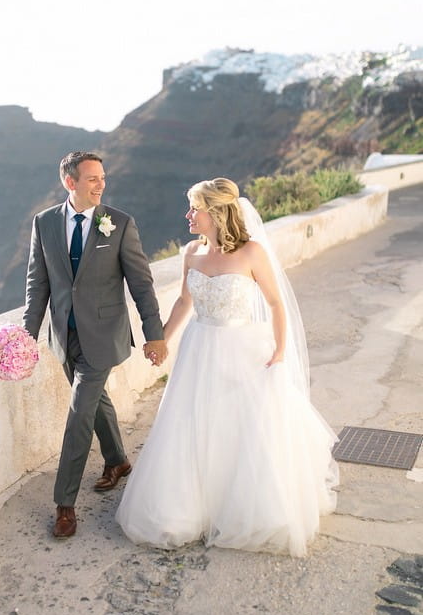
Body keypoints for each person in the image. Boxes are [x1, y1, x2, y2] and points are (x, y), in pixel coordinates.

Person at [116, 177, 338, 556]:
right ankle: (189, 507)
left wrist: (281, 350)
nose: (188, 215)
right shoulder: (191, 252)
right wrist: (162, 341)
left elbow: (275, 304)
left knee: (242, 426)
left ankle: (240, 506)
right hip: (199, 348)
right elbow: (185, 302)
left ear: (215, 213)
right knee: (192, 424)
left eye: (194, 209)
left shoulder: (252, 253)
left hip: (242, 348)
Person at [22, 151, 167, 538]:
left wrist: (155, 334)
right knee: (96, 400)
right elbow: (39, 284)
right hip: (63, 335)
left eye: (102, 177)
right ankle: (118, 461)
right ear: (70, 182)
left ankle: (64, 504)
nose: (100, 184)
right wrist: (26, 336)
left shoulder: (118, 224)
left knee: (79, 412)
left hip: (103, 334)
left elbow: (141, 283)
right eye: (91, 179)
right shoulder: (45, 223)